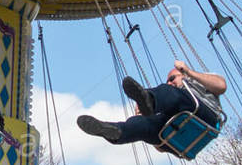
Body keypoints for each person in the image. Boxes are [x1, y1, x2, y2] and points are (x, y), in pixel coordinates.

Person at [77, 61, 226, 149]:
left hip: (205, 115)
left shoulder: (195, 81)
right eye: (168, 80)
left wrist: (189, 72)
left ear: (183, 75)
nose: (170, 82)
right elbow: (160, 147)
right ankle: (116, 131)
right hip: (179, 134)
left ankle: (149, 99)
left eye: (173, 77)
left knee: (172, 94)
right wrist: (142, 117)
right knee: (144, 124)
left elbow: (221, 86)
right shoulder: (173, 102)